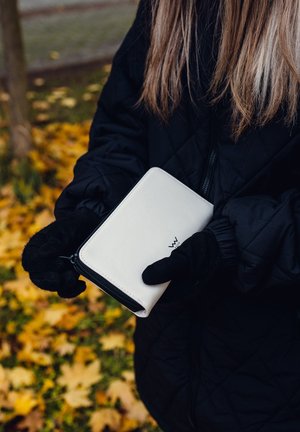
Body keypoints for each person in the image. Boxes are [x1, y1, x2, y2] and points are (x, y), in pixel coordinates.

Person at [22, 0, 300, 430]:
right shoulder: (168, 6)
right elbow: (125, 124)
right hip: (173, 362)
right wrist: (92, 213)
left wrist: (233, 244)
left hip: (281, 368)